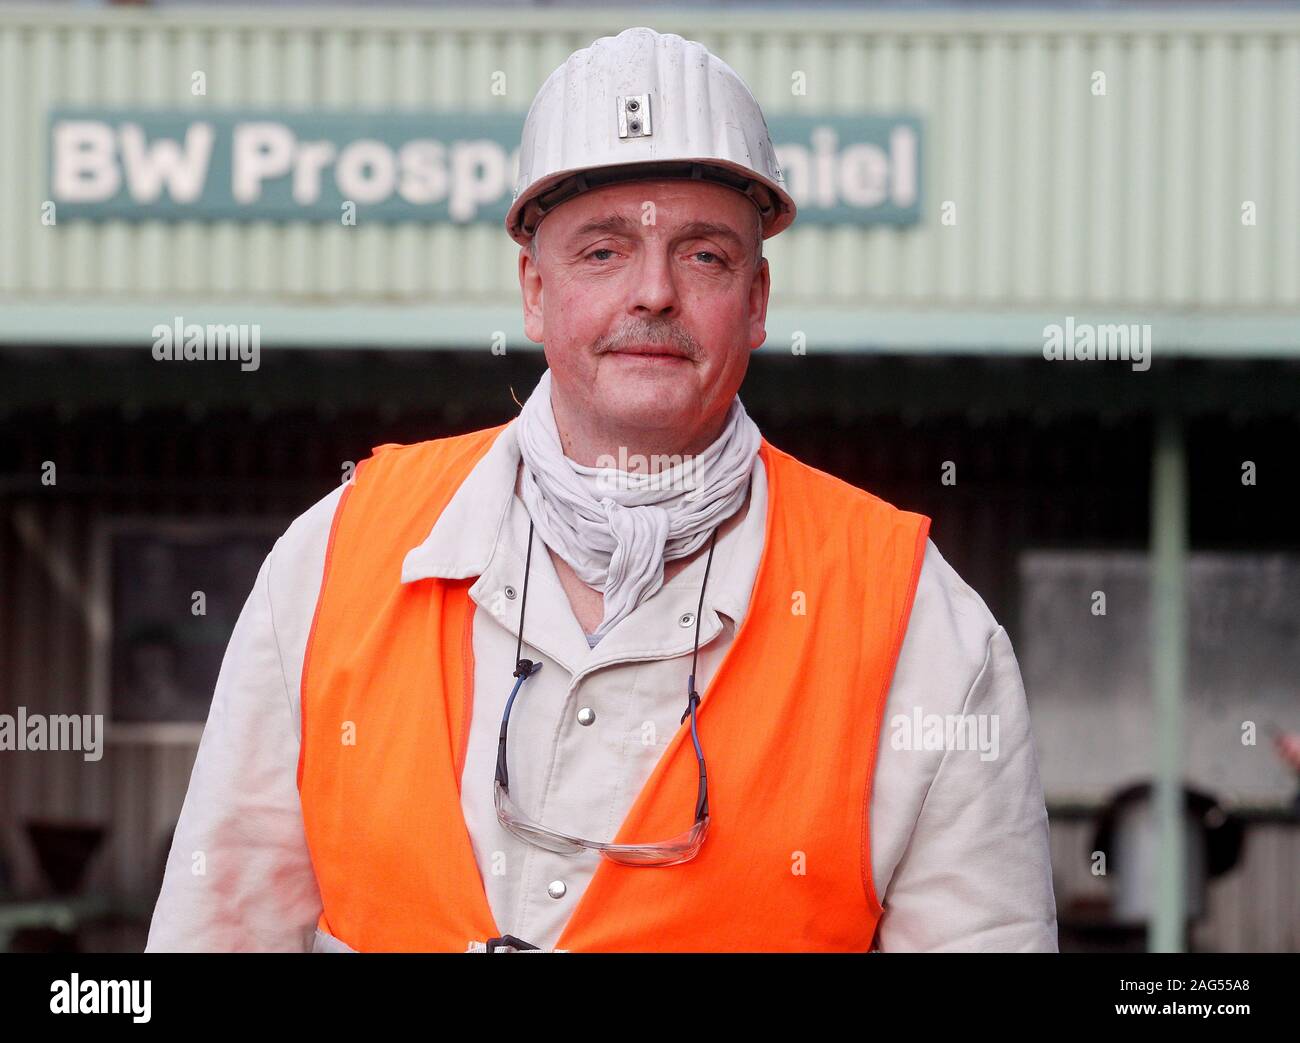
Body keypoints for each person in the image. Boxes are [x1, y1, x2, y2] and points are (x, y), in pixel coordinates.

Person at [145, 27, 1057, 953]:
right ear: (533, 292)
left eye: (703, 254)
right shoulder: (334, 559)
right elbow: (216, 928)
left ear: (757, 301)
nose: (654, 292)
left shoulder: (919, 630)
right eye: (602, 251)